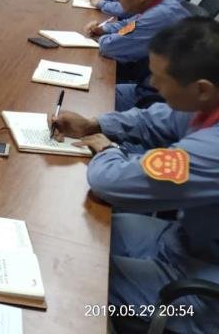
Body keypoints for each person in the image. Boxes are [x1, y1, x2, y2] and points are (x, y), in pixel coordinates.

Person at [51, 17, 219, 334]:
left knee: (77, 275)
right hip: (187, 241)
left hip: (205, 291)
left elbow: (110, 181)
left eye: (160, 79)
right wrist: (95, 124)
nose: (152, 84)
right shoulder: (207, 103)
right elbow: (155, 119)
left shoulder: (213, 152)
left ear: (201, 89)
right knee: (82, 233)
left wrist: (106, 149)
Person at [84, 0, 189, 110]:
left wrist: (102, 38)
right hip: (153, 83)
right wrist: (104, 29)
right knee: (96, 88)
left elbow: (109, 47)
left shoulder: (158, 17)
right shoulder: (162, 3)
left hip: (163, 101)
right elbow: (130, 24)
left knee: (92, 97)